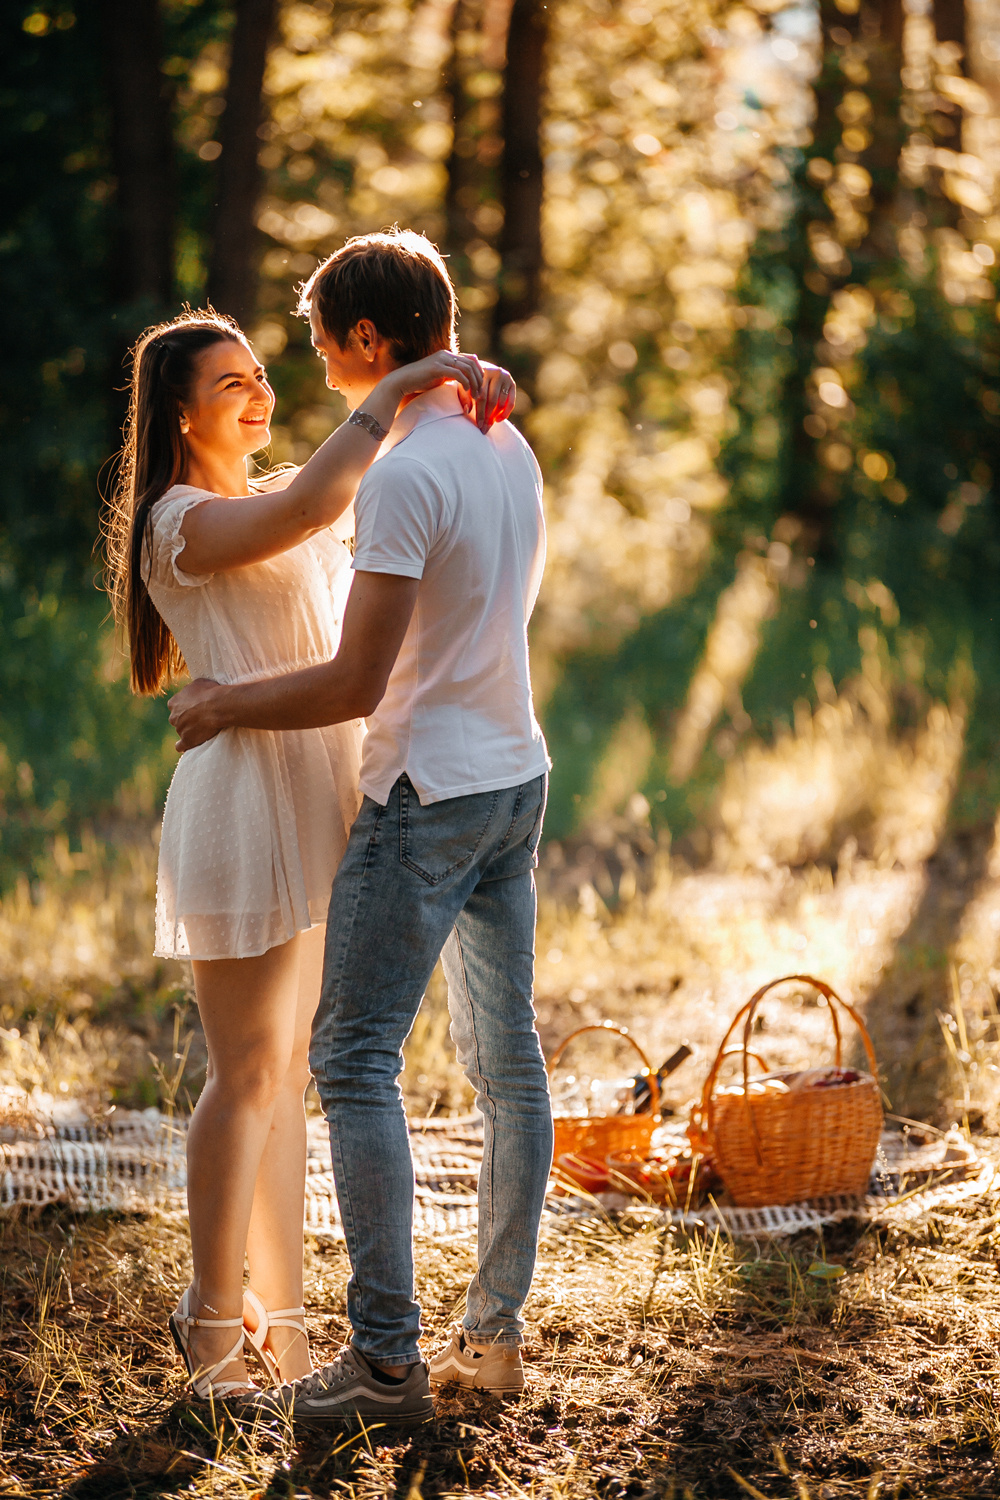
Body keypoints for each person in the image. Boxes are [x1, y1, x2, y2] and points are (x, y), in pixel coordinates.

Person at [168, 228, 554, 1430]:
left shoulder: (400, 473)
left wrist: (223, 699)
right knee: (504, 1063)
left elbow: (350, 680)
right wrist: (421, 388)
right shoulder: (507, 446)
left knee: (346, 1061)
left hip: (416, 795)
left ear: (366, 341)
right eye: (235, 376)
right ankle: (486, 1336)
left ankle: (385, 1359)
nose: (295, 371)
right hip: (510, 775)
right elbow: (306, 521)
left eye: (314, 346)